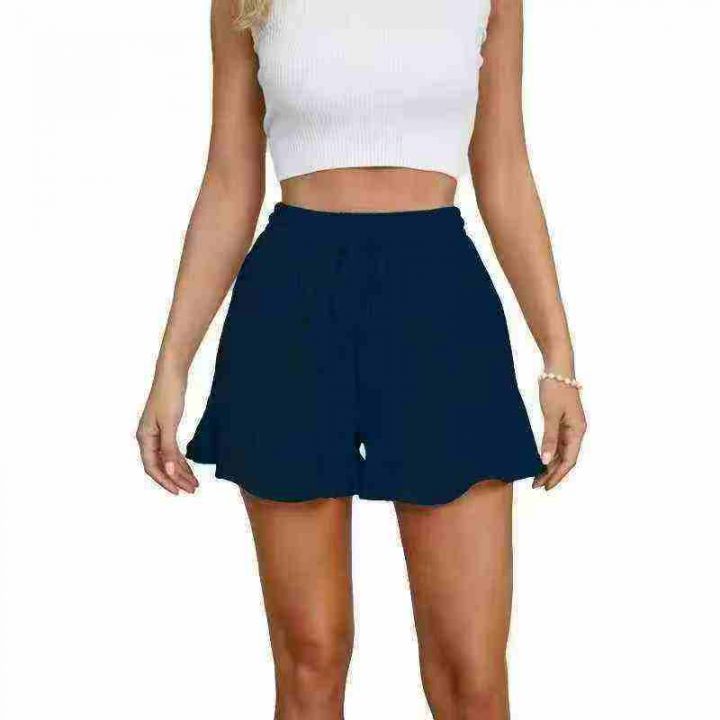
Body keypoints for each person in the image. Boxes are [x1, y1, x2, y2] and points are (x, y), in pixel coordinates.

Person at [137, 1, 587, 717]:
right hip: (290, 306)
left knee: (470, 673)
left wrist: (557, 357)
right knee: (310, 659)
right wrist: (171, 366)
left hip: (440, 305)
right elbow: (228, 178)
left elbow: (504, 167)